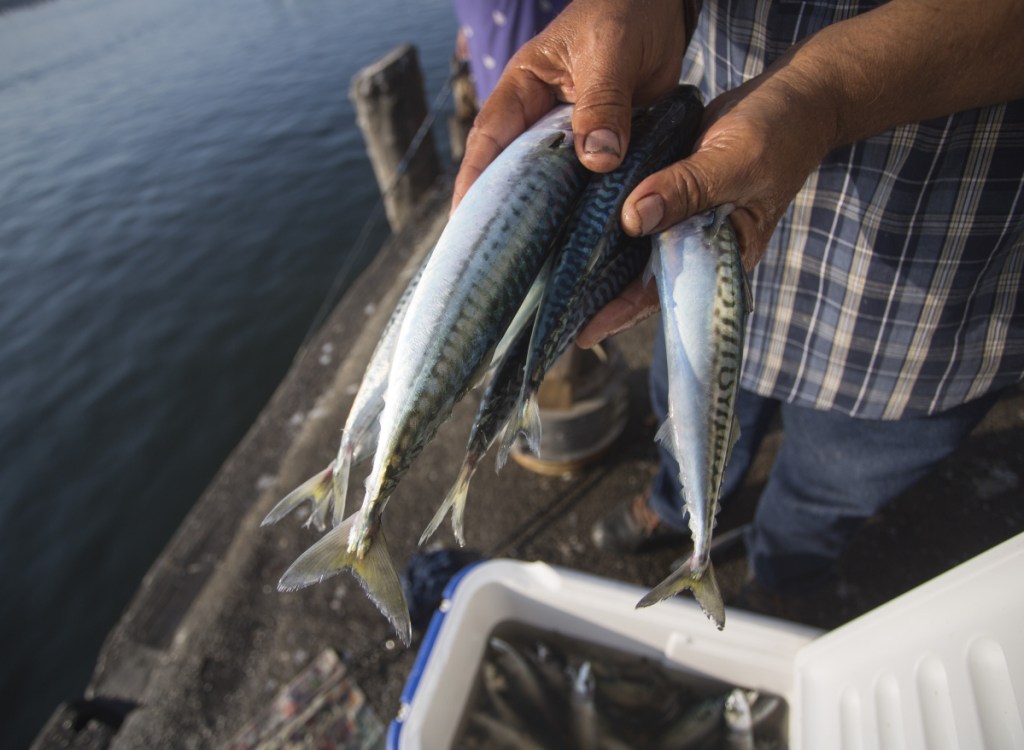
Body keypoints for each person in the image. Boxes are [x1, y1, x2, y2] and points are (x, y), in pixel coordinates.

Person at [453, 0, 1024, 621]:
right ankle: (675, 510)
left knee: (836, 483)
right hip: (711, 145)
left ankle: (784, 575)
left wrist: (821, 96)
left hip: (927, 290)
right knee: (685, 417)